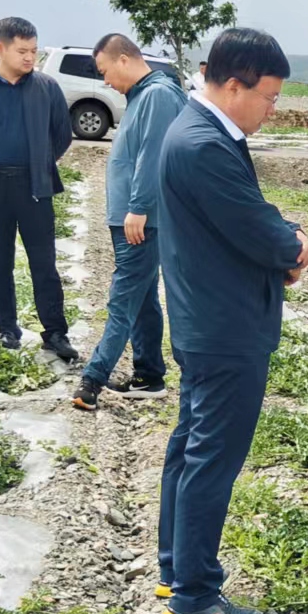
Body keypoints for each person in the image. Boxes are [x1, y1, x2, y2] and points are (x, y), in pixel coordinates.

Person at [156, 28, 308, 614]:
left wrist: (286, 235)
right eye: (269, 97)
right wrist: (296, 245)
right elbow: (260, 228)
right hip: (224, 325)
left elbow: (257, 217)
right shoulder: (203, 145)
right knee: (211, 458)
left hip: (208, 319)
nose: (273, 110)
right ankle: (194, 593)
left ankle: (177, 570)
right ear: (231, 84)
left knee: (192, 448)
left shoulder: (207, 134)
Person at [72, 34, 188, 411]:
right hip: (131, 217)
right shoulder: (142, 96)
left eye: (105, 71)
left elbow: (153, 156)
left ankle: (93, 378)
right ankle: (149, 375)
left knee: (122, 299)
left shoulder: (157, 95)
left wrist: (139, 207)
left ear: (124, 59)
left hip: (141, 219)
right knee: (141, 300)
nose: (105, 81)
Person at [0, 17, 76, 360]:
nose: (29, 58)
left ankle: (55, 333)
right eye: (22, 51)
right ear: (0, 49)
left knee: (44, 263)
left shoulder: (46, 88)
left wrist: (40, 160)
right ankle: (7, 329)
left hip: (35, 186)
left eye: (34, 51)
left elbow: (61, 134)